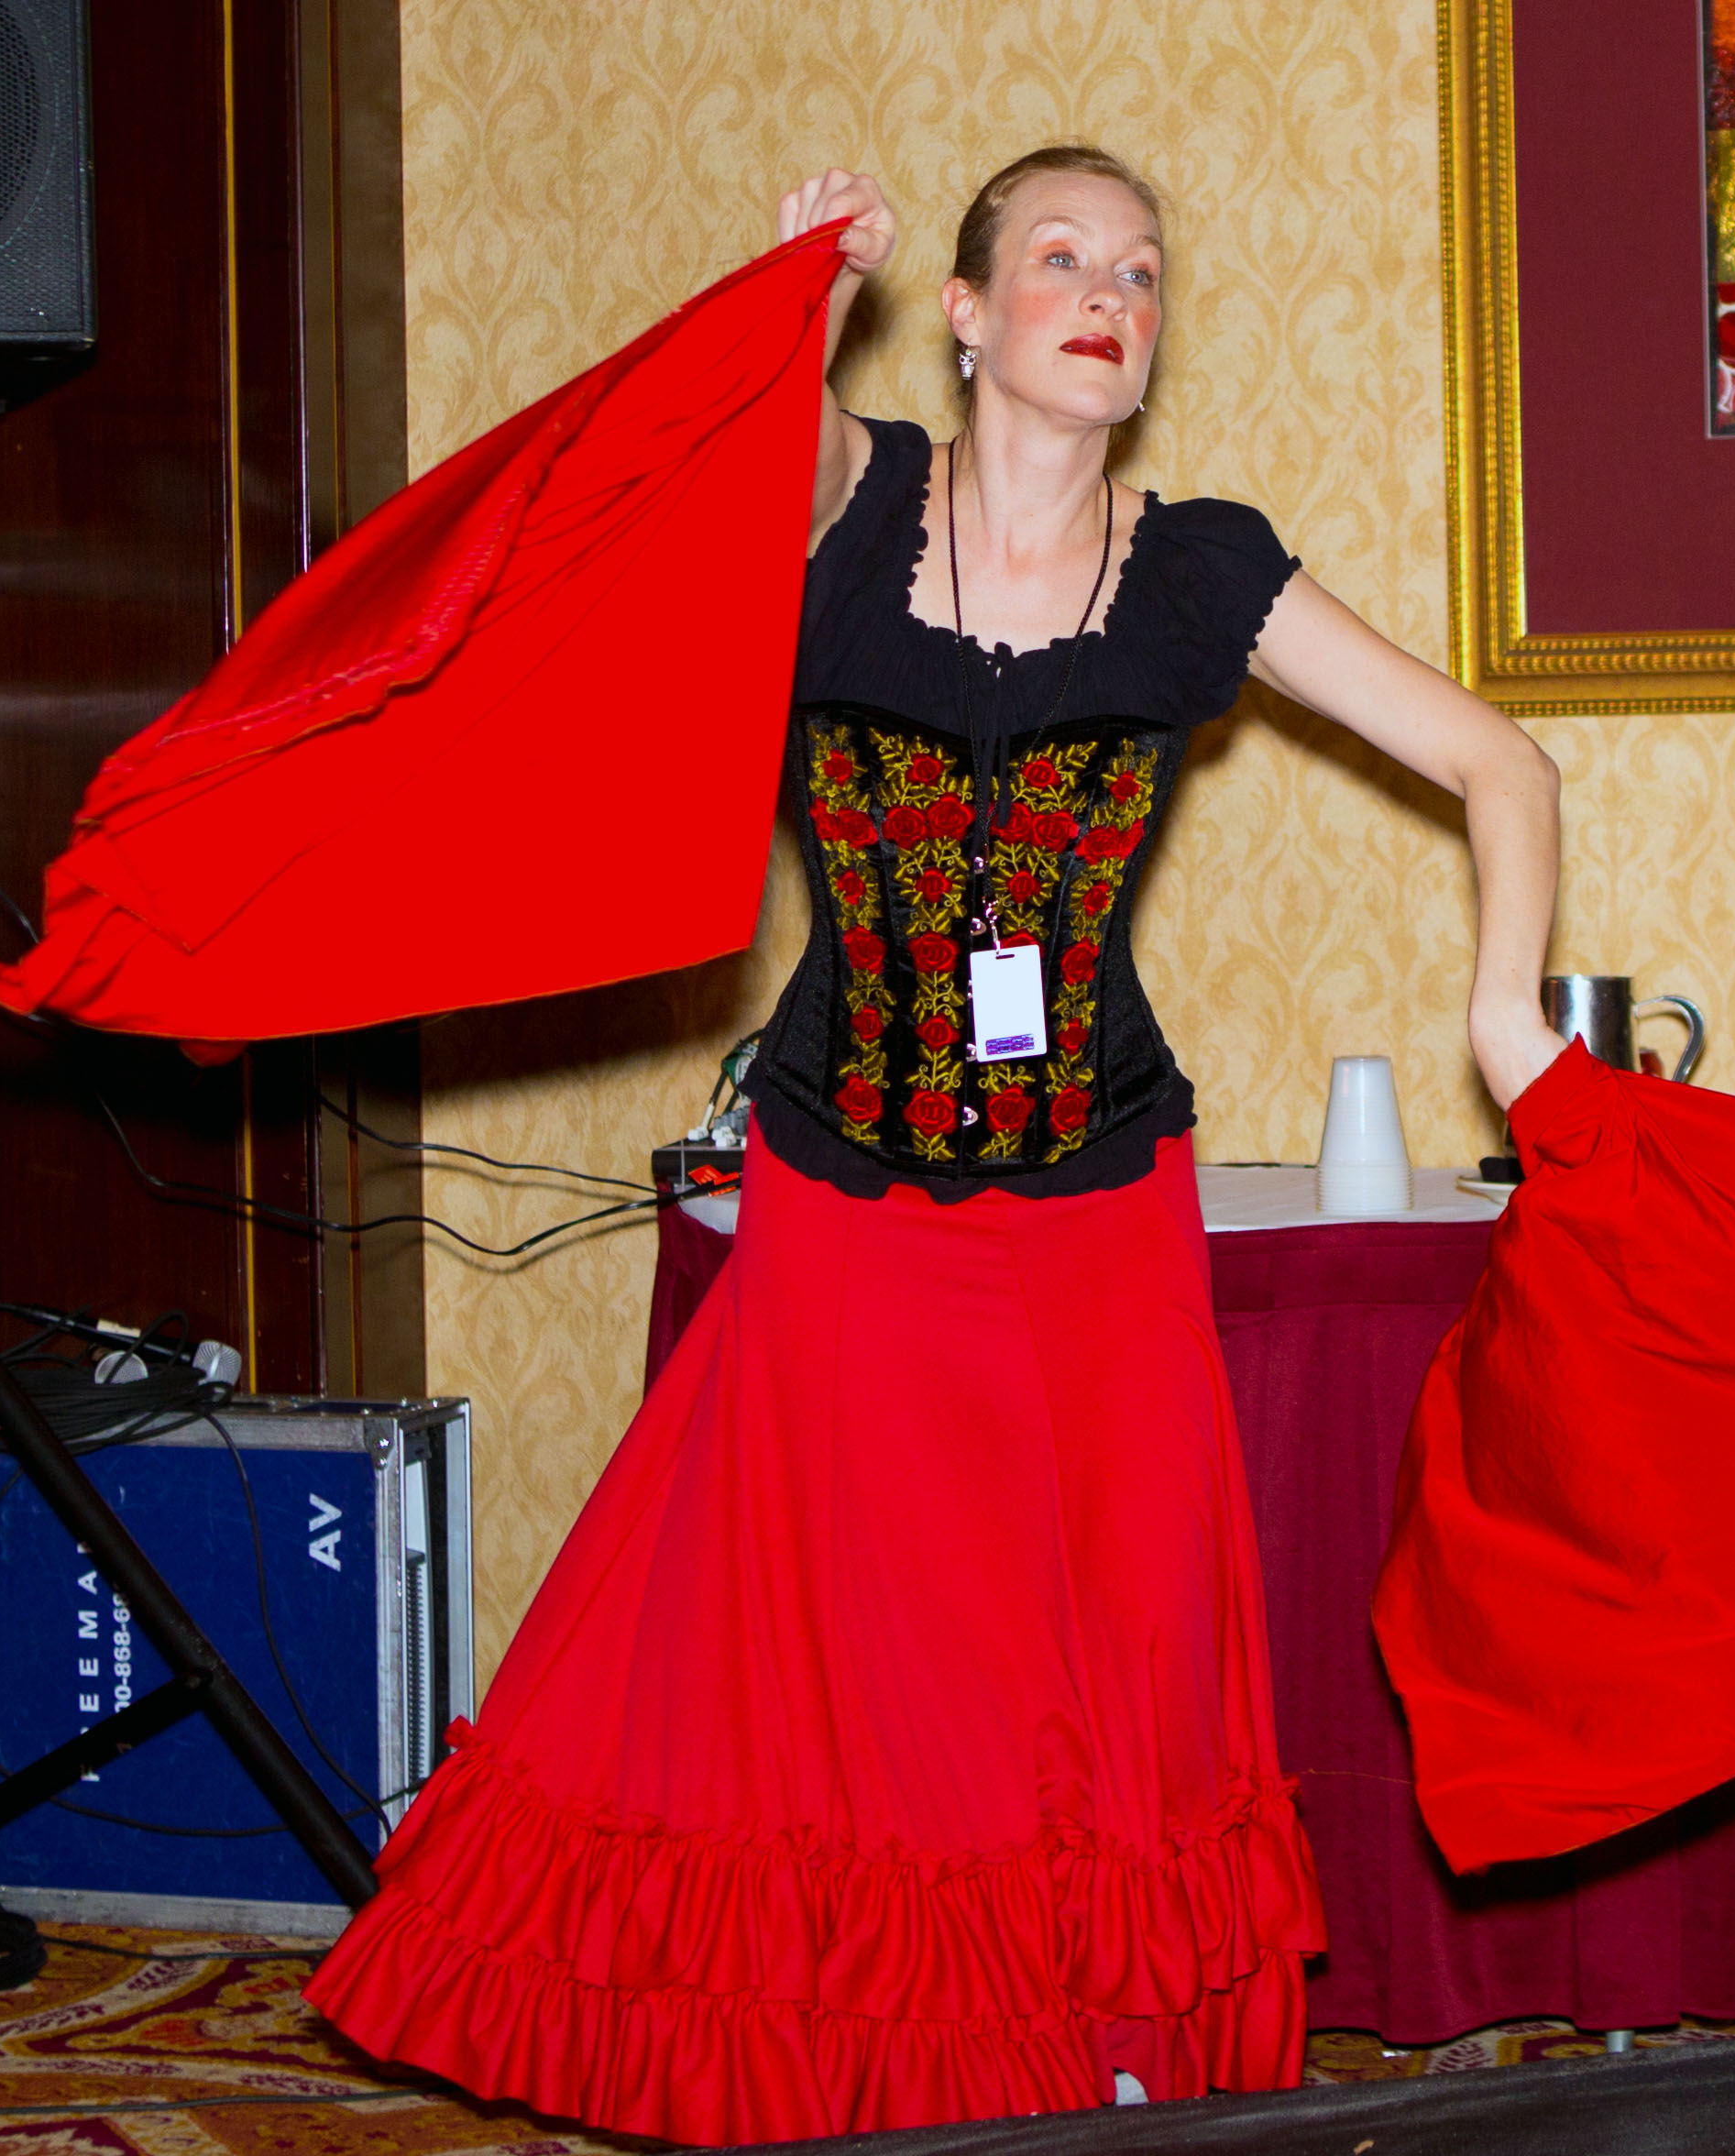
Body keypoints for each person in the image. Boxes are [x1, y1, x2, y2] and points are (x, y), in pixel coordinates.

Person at [302, 144, 1567, 2143]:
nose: (1108, 295)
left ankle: (1093, 2063)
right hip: (849, 1202)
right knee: (872, 1692)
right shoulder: (852, 502)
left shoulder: (1200, 568)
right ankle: (875, 2083)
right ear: (967, 317)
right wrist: (817, 280)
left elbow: (1500, 759)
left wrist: (1504, 1016)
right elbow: (732, 433)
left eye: (1140, 272)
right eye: (1060, 258)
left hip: (1095, 1211)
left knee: (1105, 1670)